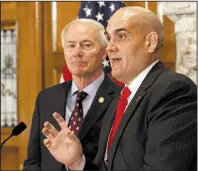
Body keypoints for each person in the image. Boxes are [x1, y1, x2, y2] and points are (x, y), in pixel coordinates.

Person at [42, 6, 197, 170]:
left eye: (121, 36)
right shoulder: (118, 102)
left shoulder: (174, 91)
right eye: (109, 38)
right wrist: (77, 163)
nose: (109, 47)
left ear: (150, 42)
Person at [23, 19, 122, 171]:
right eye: (71, 45)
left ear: (103, 53)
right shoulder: (46, 98)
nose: (77, 52)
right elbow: (33, 161)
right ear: (64, 52)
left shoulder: (121, 98)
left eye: (86, 45)